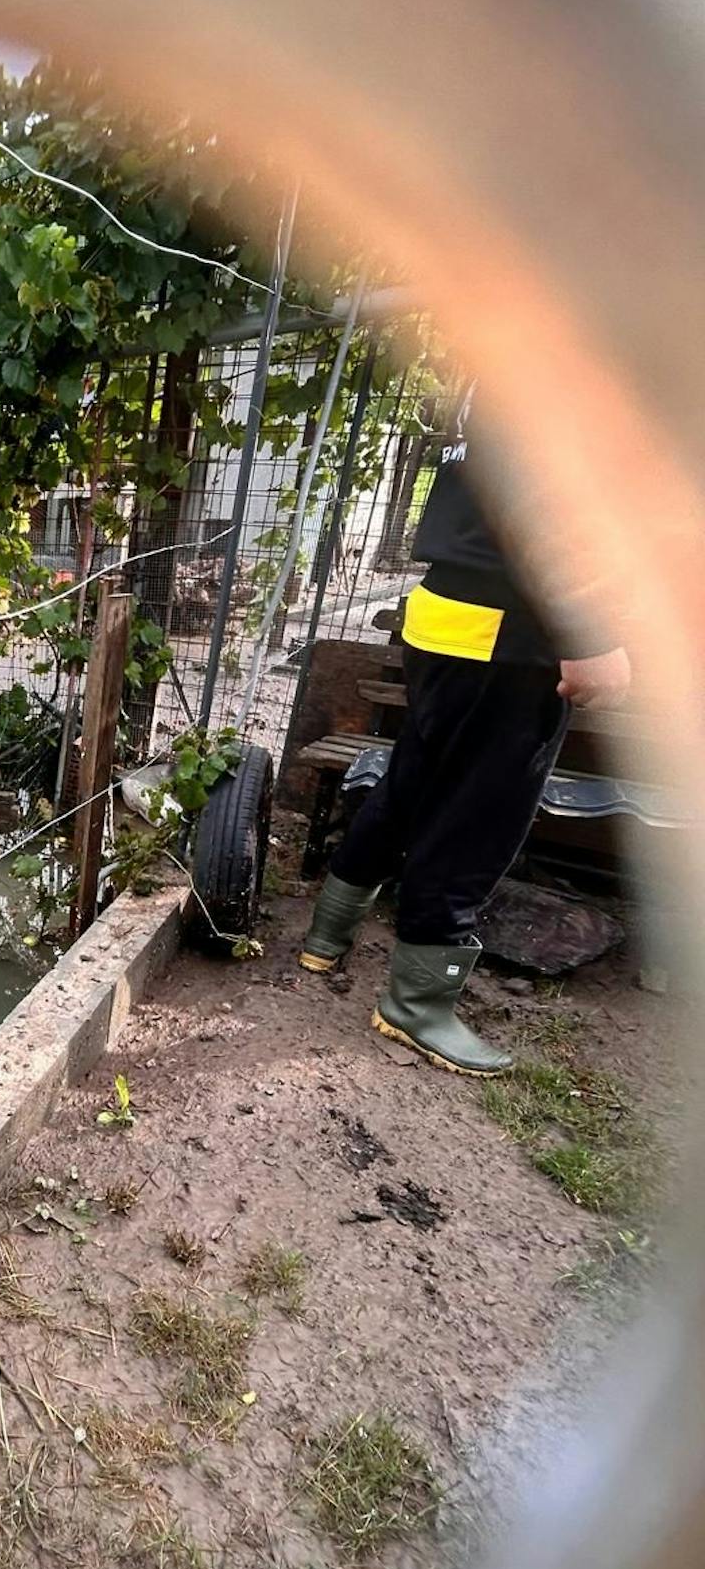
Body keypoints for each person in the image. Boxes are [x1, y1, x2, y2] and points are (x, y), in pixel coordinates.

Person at [298, 394, 631, 1073]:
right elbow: (551, 493)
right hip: (510, 631)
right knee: (479, 815)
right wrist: (587, 628)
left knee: (412, 782)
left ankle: (326, 934)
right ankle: (417, 1004)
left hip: (448, 612)